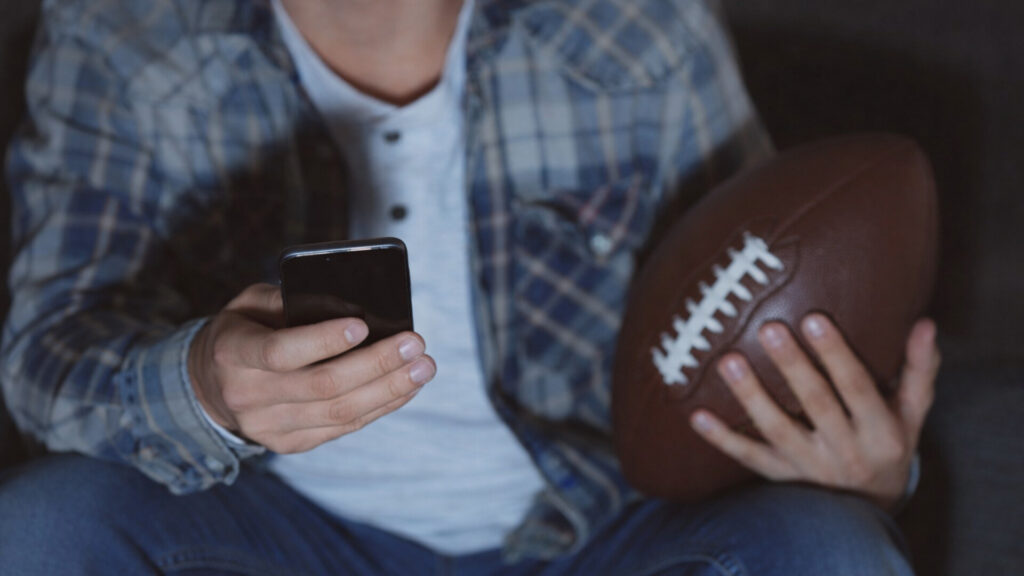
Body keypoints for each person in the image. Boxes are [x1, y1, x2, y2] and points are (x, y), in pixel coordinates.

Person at [0, 0, 940, 573]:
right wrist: (203, 386)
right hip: (270, 523)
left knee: (830, 551)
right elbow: (47, 346)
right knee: (39, 527)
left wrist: (858, 468)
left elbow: (750, 293)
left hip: (603, 522)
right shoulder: (117, 28)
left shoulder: (636, 20)